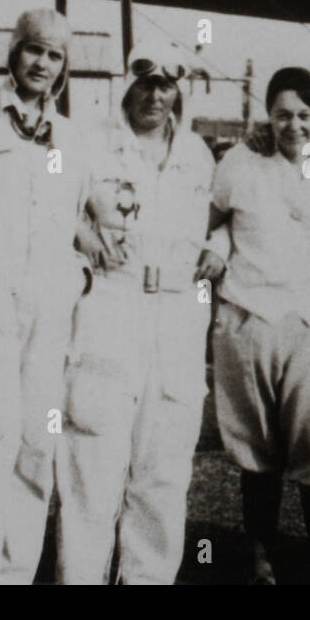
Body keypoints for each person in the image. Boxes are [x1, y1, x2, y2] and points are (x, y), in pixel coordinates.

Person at [0, 8, 94, 584]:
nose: (43, 63)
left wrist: (77, 273)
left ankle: (13, 575)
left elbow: (81, 218)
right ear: (14, 52)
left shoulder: (74, 138)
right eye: (34, 49)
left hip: (49, 309)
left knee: (38, 445)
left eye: (55, 55)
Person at [56, 56, 215, 584]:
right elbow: (56, 208)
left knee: (164, 471)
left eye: (165, 86)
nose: (155, 97)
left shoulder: (196, 152)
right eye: (146, 85)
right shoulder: (89, 142)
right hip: (112, 302)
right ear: (127, 86)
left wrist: (222, 243)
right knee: (93, 465)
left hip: (176, 313)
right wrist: (79, 233)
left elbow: (221, 216)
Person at [196, 67, 310, 584]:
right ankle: (260, 564)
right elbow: (213, 220)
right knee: (256, 451)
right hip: (248, 315)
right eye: (282, 114)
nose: (293, 125)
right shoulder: (240, 160)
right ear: (268, 115)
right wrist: (217, 249)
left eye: (305, 115)